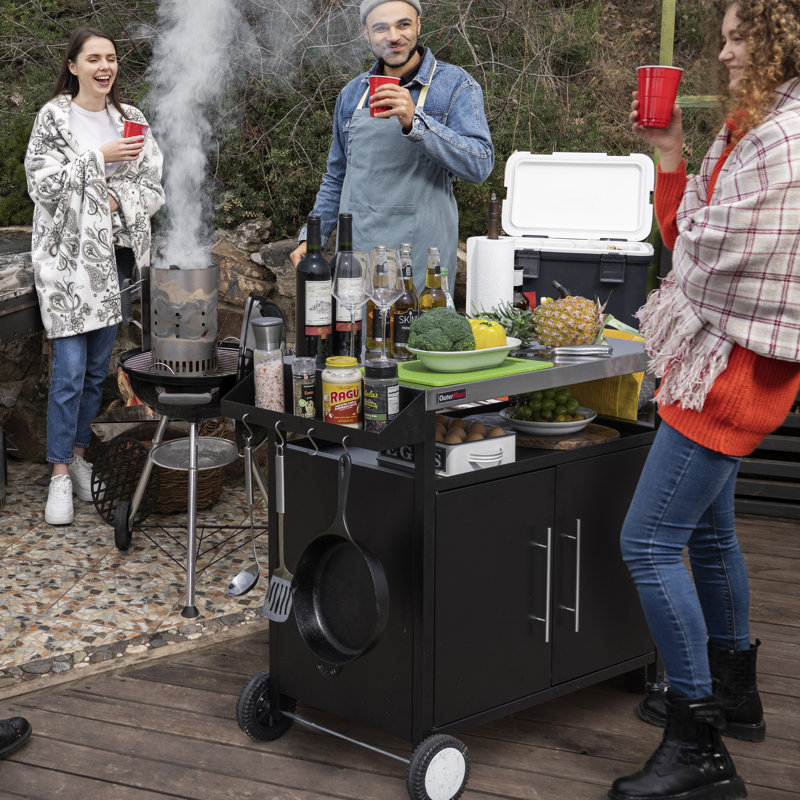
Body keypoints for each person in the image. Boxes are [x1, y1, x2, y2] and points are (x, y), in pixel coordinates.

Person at [610, 2, 800, 798]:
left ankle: (699, 745)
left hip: (727, 370)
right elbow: (692, 239)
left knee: (648, 544)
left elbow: (704, 257)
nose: (720, 54)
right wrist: (671, 156)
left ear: (774, 41)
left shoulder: (784, 144)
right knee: (712, 535)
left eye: (733, 39)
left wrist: (684, 213)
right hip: (717, 357)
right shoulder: (750, 127)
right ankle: (735, 695)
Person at [25, 27, 165, 526]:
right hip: (66, 263)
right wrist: (98, 160)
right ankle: (59, 473)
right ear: (73, 66)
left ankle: (81, 457)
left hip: (115, 261)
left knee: (93, 374)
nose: (104, 67)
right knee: (66, 371)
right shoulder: (54, 118)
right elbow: (40, 184)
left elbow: (150, 184)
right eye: (93, 59)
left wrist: (115, 199)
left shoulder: (130, 119)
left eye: (110, 59)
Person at [289, 0, 494, 292]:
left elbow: (480, 165)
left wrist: (416, 122)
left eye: (403, 24)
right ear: (367, 33)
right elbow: (337, 178)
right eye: (381, 28)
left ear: (419, 25)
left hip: (423, 259)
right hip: (356, 257)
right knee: (354, 337)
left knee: (418, 337)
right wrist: (313, 238)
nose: (393, 36)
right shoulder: (352, 94)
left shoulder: (455, 86)